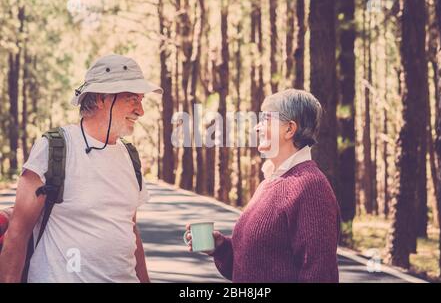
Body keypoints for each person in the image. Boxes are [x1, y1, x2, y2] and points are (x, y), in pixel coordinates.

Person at [0, 54, 162, 283]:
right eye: (131, 98)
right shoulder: (54, 148)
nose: (140, 111)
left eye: (141, 99)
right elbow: (17, 236)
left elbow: (130, 231)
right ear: (100, 99)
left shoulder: (130, 156)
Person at [185, 89, 340, 283]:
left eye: (266, 120)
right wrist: (221, 248)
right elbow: (253, 268)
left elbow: (320, 276)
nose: (257, 128)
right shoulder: (271, 181)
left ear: (289, 129)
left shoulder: (311, 188)